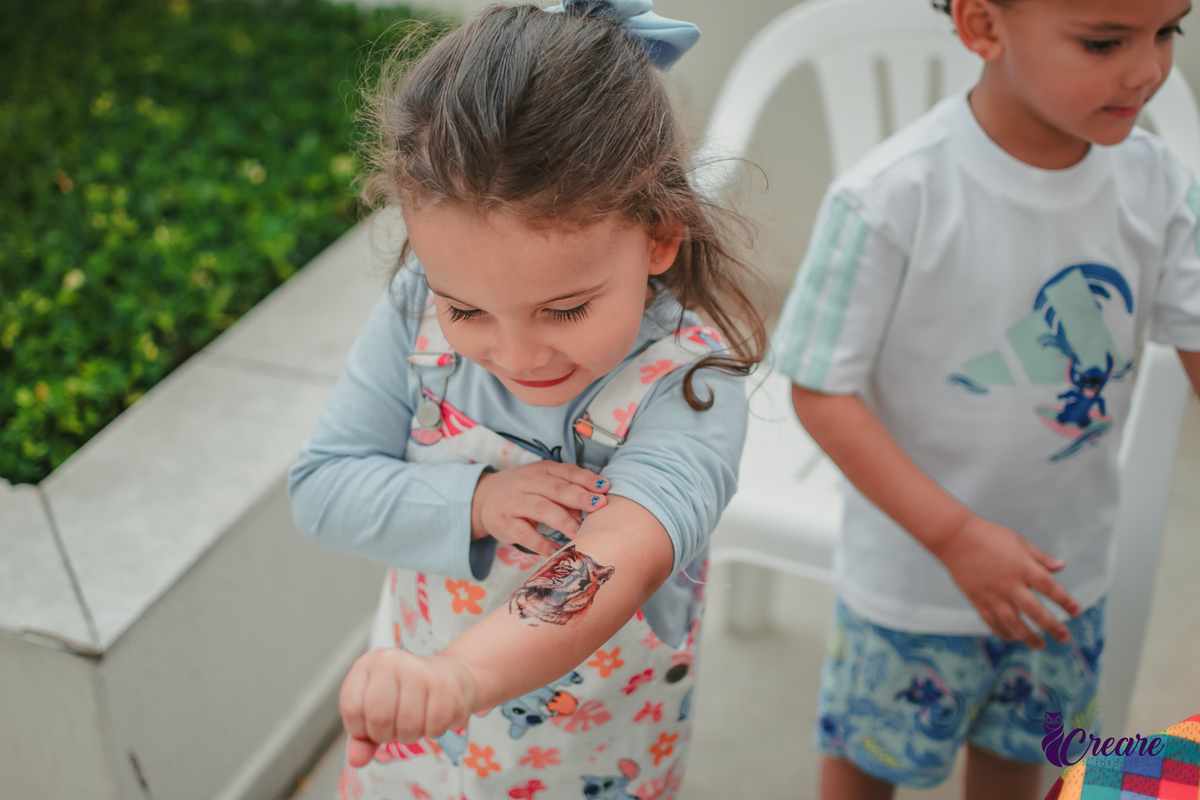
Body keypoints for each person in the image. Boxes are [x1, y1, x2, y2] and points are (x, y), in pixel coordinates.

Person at [288, 2, 766, 798]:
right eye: (466, 310)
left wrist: (461, 680)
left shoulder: (690, 382)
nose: (516, 356)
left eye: (566, 309)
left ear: (659, 234)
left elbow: (616, 556)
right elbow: (324, 488)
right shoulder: (413, 307)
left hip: (594, 756)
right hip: (424, 745)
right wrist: (477, 501)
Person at [771, 0, 1200, 798]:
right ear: (982, 27)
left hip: (1064, 584)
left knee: (1017, 770)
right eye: (1105, 41)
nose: (1147, 70)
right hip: (912, 586)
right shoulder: (891, 195)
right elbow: (819, 390)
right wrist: (957, 537)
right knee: (866, 773)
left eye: (1169, 30)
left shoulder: (1162, 189)